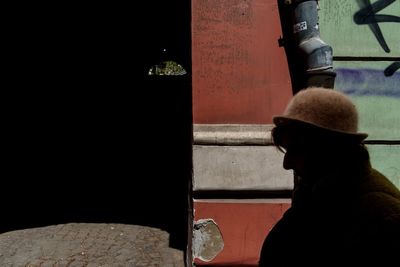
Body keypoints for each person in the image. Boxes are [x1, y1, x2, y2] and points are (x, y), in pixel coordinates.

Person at [259, 87, 400, 267]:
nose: (287, 164)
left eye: (295, 150)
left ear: (327, 148)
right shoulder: (317, 199)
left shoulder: (382, 217)